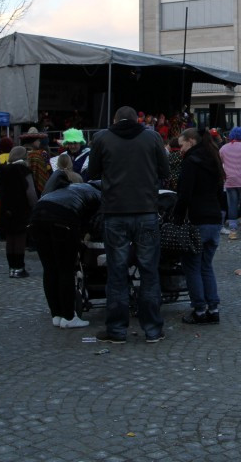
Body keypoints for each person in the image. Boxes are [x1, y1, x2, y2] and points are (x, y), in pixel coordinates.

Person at [88, 106, 171, 344]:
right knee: (149, 271)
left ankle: (116, 330)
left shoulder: (102, 137)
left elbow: (92, 172)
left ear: (114, 120)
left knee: (116, 272)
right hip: (146, 210)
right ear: (138, 120)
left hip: (115, 212)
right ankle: (153, 329)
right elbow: (164, 171)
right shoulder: (152, 137)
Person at [28, 178, 100, 328]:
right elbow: (96, 222)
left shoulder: (74, 188)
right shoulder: (98, 195)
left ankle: (57, 314)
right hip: (63, 218)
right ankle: (68, 316)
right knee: (65, 269)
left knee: (50, 268)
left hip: (38, 215)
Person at [175, 127, 225, 324]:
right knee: (206, 266)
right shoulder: (213, 158)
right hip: (214, 219)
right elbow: (220, 191)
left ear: (190, 141)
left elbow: (184, 193)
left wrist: (176, 218)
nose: (180, 149)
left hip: (198, 218)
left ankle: (199, 310)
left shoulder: (191, 161)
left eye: (182, 145)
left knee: (192, 266)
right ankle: (213, 309)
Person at [0, 144, 37, 278]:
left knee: (10, 238)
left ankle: (11, 268)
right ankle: (19, 268)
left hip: (6, 208)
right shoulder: (24, 170)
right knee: (19, 237)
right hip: (21, 208)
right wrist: (34, 206)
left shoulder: (2, 170)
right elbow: (30, 192)